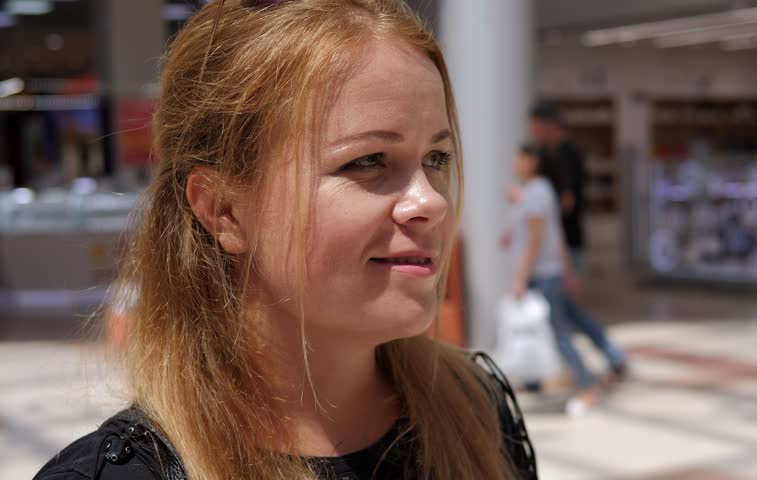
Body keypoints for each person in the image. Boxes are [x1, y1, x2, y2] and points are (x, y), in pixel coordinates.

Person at [33, 1, 536, 479]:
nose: (431, 202)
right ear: (224, 211)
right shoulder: (124, 473)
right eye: (367, 161)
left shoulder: (477, 413)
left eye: (437, 158)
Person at [506, 145, 626, 417]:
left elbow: (537, 238)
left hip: (543, 276)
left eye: (519, 157)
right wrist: (568, 270)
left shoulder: (535, 193)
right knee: (572, 319)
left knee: (558, 332)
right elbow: (553, 234)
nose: (515, 162)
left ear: (532, 161)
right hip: (551, 273)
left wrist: (520, 276)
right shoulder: (539, 191)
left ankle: (587, 386)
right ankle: (535, 380)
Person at [529, 101, 587, 269]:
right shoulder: (544, 154)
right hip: (550, 244)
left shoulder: (569, 154)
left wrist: (539, 216)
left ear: (550, 125)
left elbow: (567, 202)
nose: (533, 132)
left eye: (536, 127)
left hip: (567, 243)